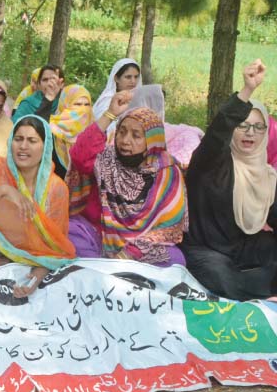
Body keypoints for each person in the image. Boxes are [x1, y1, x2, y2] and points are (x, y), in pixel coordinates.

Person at [182, 60, 277, 300]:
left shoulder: (267, 176)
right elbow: (216, 134)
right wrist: (246, 92)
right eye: (243, 125)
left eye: (258, 127)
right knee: (219, 275)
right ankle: (260, 294)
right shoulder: (211, 163)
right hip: (205, 250)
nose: (250, 133)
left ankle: (257, 290)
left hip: (243, 250)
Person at [0, 116, 75, 293]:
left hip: (27, 265)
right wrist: (3, 191)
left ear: (45, 147)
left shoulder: (56, 189)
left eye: (32, 140)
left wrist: (36, 277)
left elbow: (54, 249)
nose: (23, 146)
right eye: (18, 139)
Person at [66, 92, 187, 266]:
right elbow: (79, 156)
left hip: (141, 248)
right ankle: (106, 270)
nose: (125, 141)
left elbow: (168, 227)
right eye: (121, 132)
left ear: (152, 141)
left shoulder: (167, 172)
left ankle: (102, 270)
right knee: (69, 231)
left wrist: (129, 254)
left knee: (175, 259)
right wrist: (109, 115)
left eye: (136, 136)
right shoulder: (107, 158)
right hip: (98, 237)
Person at [48, 84, 93, 176]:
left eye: (87, 104)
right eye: (77, 104)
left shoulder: (95, 133)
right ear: (64, 105)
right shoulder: (50, 131)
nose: (83, 109)